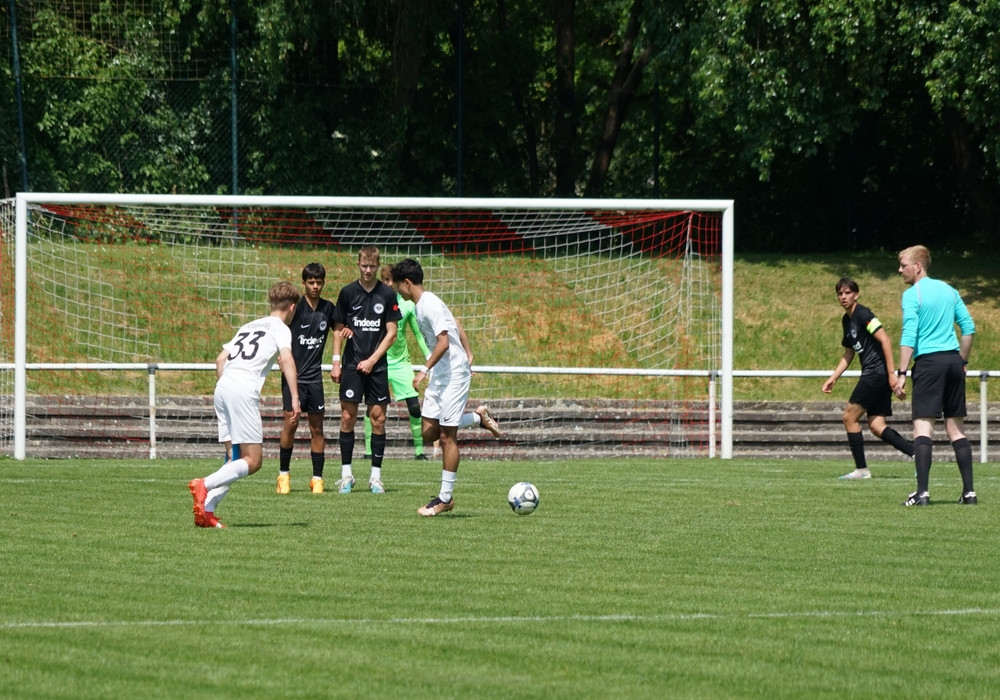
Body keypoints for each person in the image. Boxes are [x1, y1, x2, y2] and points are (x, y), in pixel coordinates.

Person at [390, 258, 504, 517]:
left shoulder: (428, 304)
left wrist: (424, 370)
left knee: (446, 436)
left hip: (453, 375)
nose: (398, 291)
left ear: (407, 283)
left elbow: (443, 343)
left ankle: (445, 498)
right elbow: (455, 323)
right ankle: (478, 417)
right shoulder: (422, 305)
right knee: (428, 433)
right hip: (441, 374)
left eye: (398, 286)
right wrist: (469, 351)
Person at [188, 281, 301, 528]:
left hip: (223, 386)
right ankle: (204, 484)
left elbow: (220, 359)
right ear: (292, 307)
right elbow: (286, 359)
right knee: (253, 461)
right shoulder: (281, 328)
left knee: (234, 457)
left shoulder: (248, 326)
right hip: (241, 389)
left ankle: (206, 511)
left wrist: (227, 386)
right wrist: (294, 397)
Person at [893, 245, 976, 506]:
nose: (900, 270)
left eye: (903, 265)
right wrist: (962, 361)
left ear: (917, 266)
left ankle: (922, 493)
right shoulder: (949, 290)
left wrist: (902, 372)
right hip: (952, 361)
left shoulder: (912, 294)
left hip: (929, 363)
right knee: (956, 429)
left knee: (923, 427)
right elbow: (968, 327)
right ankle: (969, 493)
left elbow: (909, 334)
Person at [821, 278, 914, 478]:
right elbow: (849, 353)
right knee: (877, 426)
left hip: (876, 373)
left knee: (849, 417)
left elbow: (885, 340)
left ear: (856, 295)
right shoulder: (846, 320)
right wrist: (833, 378)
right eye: (840, 293)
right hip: (875, 374)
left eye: (847, 293)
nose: (843, 297)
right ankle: (917, 454)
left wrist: (892, 374)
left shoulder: (863, 314)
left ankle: (862, 470)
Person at [330, 246, 401, 494]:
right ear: (358, 265)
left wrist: (372, 360)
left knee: (378, 419)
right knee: (347, 417)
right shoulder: (348, 292)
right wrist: (336, 361)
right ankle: (346, 476)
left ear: (378, 266)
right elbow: (338, 328)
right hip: (351, 364)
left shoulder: (387, 294)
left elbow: (392, 333)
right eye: (364, 266)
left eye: (372, 266)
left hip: (377, 366)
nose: (368, 270)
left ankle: (376, 478)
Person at [276, 263, 336, 495]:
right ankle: (283, 475)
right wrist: (279, 357)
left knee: (317, 429)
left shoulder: (328, 309)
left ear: (323, 283)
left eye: (319, 282)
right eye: (311, 282)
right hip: (293, 379)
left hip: (314, 380)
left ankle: (317, 479)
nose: (315, 286)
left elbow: (340, 329)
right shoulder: (294, 308)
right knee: (291, 424)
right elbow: (277, 330)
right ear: (304, 283)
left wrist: (346, 333)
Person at [363, 265, 433, 461]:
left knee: (414, 406)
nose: (389, 284)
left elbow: (418, 334)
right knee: (373, 407)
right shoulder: (373, 302)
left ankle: (419, 451)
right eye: (386, 280)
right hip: (379, 362)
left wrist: (429, 356)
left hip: (402, 363)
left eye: (392, 280)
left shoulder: (408, 305)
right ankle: (368, 451)